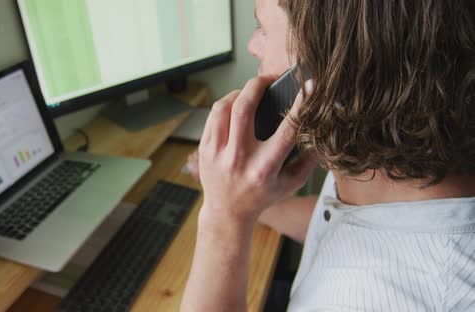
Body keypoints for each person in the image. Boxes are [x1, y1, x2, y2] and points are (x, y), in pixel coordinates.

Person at [181, 0, 475, 311]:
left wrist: (222, 220)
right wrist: (246, 203)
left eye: (263, 30)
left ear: (320, 73)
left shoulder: (367, 299)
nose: (252, 46)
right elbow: (351, 229)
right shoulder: (389, 177)